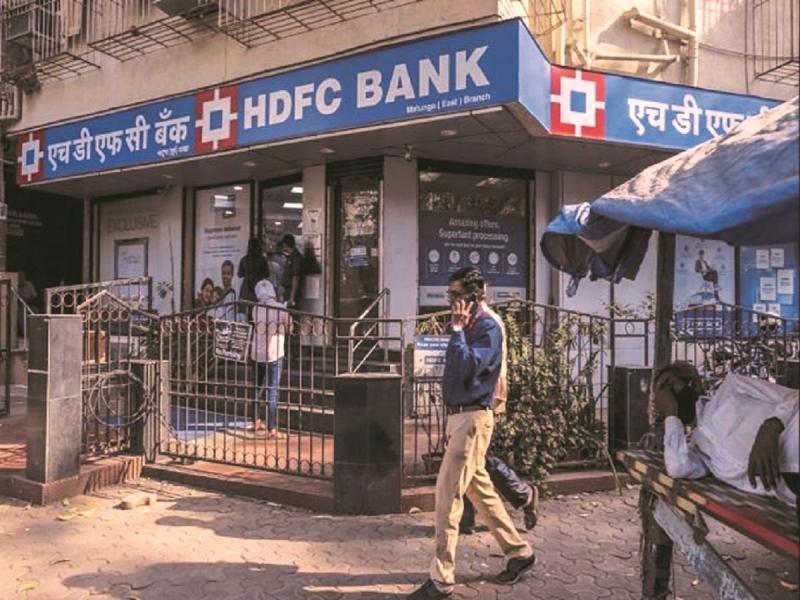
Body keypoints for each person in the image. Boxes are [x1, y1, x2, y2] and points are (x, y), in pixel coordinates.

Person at [409, 267, 535, 600]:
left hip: (473, 417)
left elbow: (466, 369)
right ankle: (518, 552)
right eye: (449, 294)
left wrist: (457, 330)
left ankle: (441, 579)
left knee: (447, 497)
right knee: (480, 491)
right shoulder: (470, 326)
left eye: (455, 295)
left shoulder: (486, 327)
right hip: (461, 417)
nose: (450, 300)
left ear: (473, 296)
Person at [653, 362, 799, 507]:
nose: (668, 395)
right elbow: (677, 468)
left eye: (669, 384)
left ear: (693, 384)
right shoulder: (700, 452)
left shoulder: (732, 387)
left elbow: (794, 397)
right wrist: (671, 413)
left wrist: (770, 428)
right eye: (662, 393)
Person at [460, 302, 538, 534]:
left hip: (485, 397)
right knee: (468, 456)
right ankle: (465, 517)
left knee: (475, 456)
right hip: (473, 397)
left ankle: (523, 494)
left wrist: (493, 397)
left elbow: (492, 364)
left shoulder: (488, 321)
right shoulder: (472, 319)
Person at [251, 279, 290, 438]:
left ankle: (256, 420)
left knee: (257, 387)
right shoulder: (281, 308)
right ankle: (272, 428)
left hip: (257, 353)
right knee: (272, 389)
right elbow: (289, 327)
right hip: (275, 352)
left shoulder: (255, 308)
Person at [238, 237, 270, 306]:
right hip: (259, 288)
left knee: (245, 308)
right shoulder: (262, 260)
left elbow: (240, 274)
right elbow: (267, 274)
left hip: (246, 289)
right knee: (258, 309)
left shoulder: (244, 260)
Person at [278, 233, 303, 309]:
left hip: (292, 291)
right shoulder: (290, 256)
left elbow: (296, 277)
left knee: (291, 313)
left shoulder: (296, 257)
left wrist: (292, 296)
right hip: (287, 291)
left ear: (285, 244)